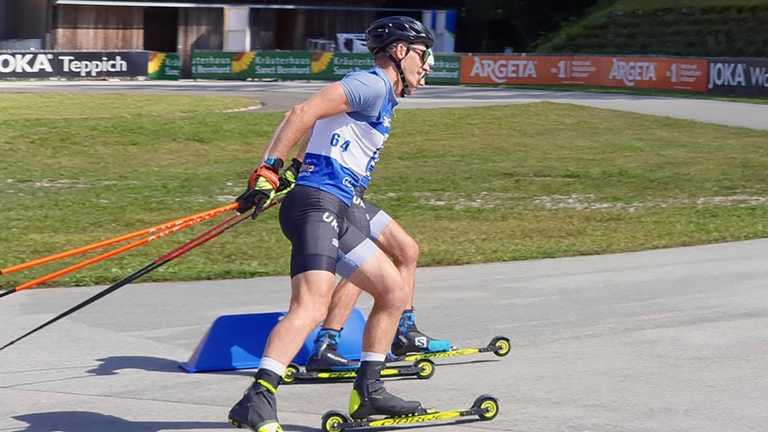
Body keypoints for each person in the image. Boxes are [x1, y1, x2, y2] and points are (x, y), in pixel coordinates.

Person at [228, 16, 436, 432]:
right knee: (311, 306)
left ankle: (370, 392)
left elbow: (327, 130)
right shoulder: (372, 83)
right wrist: (269, 171)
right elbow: (303, 111)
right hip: (319, 206)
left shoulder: (381, 97)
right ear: (399, 52)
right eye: (423, 54)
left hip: (334, 206)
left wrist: (297, 168)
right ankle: (257, 398)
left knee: (393, 290)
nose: (428, 64)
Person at [305, 195, 453, 372]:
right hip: (335, 199)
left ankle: (405, 332)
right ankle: (325, 344)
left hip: (354, 199)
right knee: (364, 266)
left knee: (407, 250)